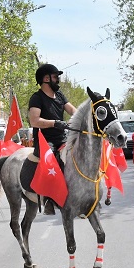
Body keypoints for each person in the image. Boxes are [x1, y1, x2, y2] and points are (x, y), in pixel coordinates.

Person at [28, 63, 77, 215]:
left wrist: (80, 118)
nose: (58, 80)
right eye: (55, 77)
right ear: (46, 79)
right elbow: (34, 121)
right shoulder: (36, 98)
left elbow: (73, 111)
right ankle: (48, 198)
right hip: (44, 140)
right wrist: (55, 123)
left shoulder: (60, 95)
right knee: (50, 161)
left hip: (63, 138)